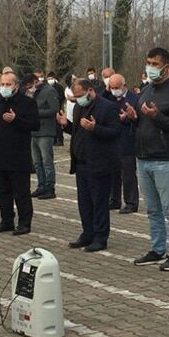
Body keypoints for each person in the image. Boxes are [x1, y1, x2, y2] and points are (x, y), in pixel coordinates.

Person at [133, 47, 169, 271]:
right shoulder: (146, 90)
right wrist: (132, 118)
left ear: (166, 68)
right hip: (143, 157)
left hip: (165, 159)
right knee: (152, 209)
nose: (149, 67)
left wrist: (157, 116)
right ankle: (157, 249)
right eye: (148, 62)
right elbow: (142, 121)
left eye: (154, 64)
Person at [61, 78, 121, 252]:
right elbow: (77, 131)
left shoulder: (107, 107)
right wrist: (66, 125)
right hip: (81, 162)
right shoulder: (80, 106)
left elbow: (115, 131)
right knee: (84, 202)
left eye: (80, 95)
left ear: (89, 91)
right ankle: (87, 233)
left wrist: (95, 128)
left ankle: (100, 237)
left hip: (100, 163)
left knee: (99, 202)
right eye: (75, 96)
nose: (78, 99)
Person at [0, 71, 39, 235]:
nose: (4, 88)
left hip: (18, 155)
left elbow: (35, 124)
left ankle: (25, 222)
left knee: (21, 193)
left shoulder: (27, 103)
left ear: (16, 86)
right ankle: (6, 220)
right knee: (2, 191)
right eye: (2, 85)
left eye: (8, 84)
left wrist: (16, 120)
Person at [104, 74, 139, 214]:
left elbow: (137, 119)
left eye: (116, 88)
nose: (114, 90)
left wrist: (128, 117)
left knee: (128, 174)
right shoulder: (109, 97)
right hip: (111, 142)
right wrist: (106, 90)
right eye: (111, 87)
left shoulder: (133, 99)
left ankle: (131, 202)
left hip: (127, 141)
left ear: (124, 86)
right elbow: (98, 101)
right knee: (113, 173)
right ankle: (114, 200)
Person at [30, 72, 59, 199]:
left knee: (47, 161)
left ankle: (49, 187)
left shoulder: (49, 91)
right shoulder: (33, 92)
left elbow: (54, 109)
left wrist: (36, 112)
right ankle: (41, 185)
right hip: (34, 131)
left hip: (45, 131)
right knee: (37, 162)